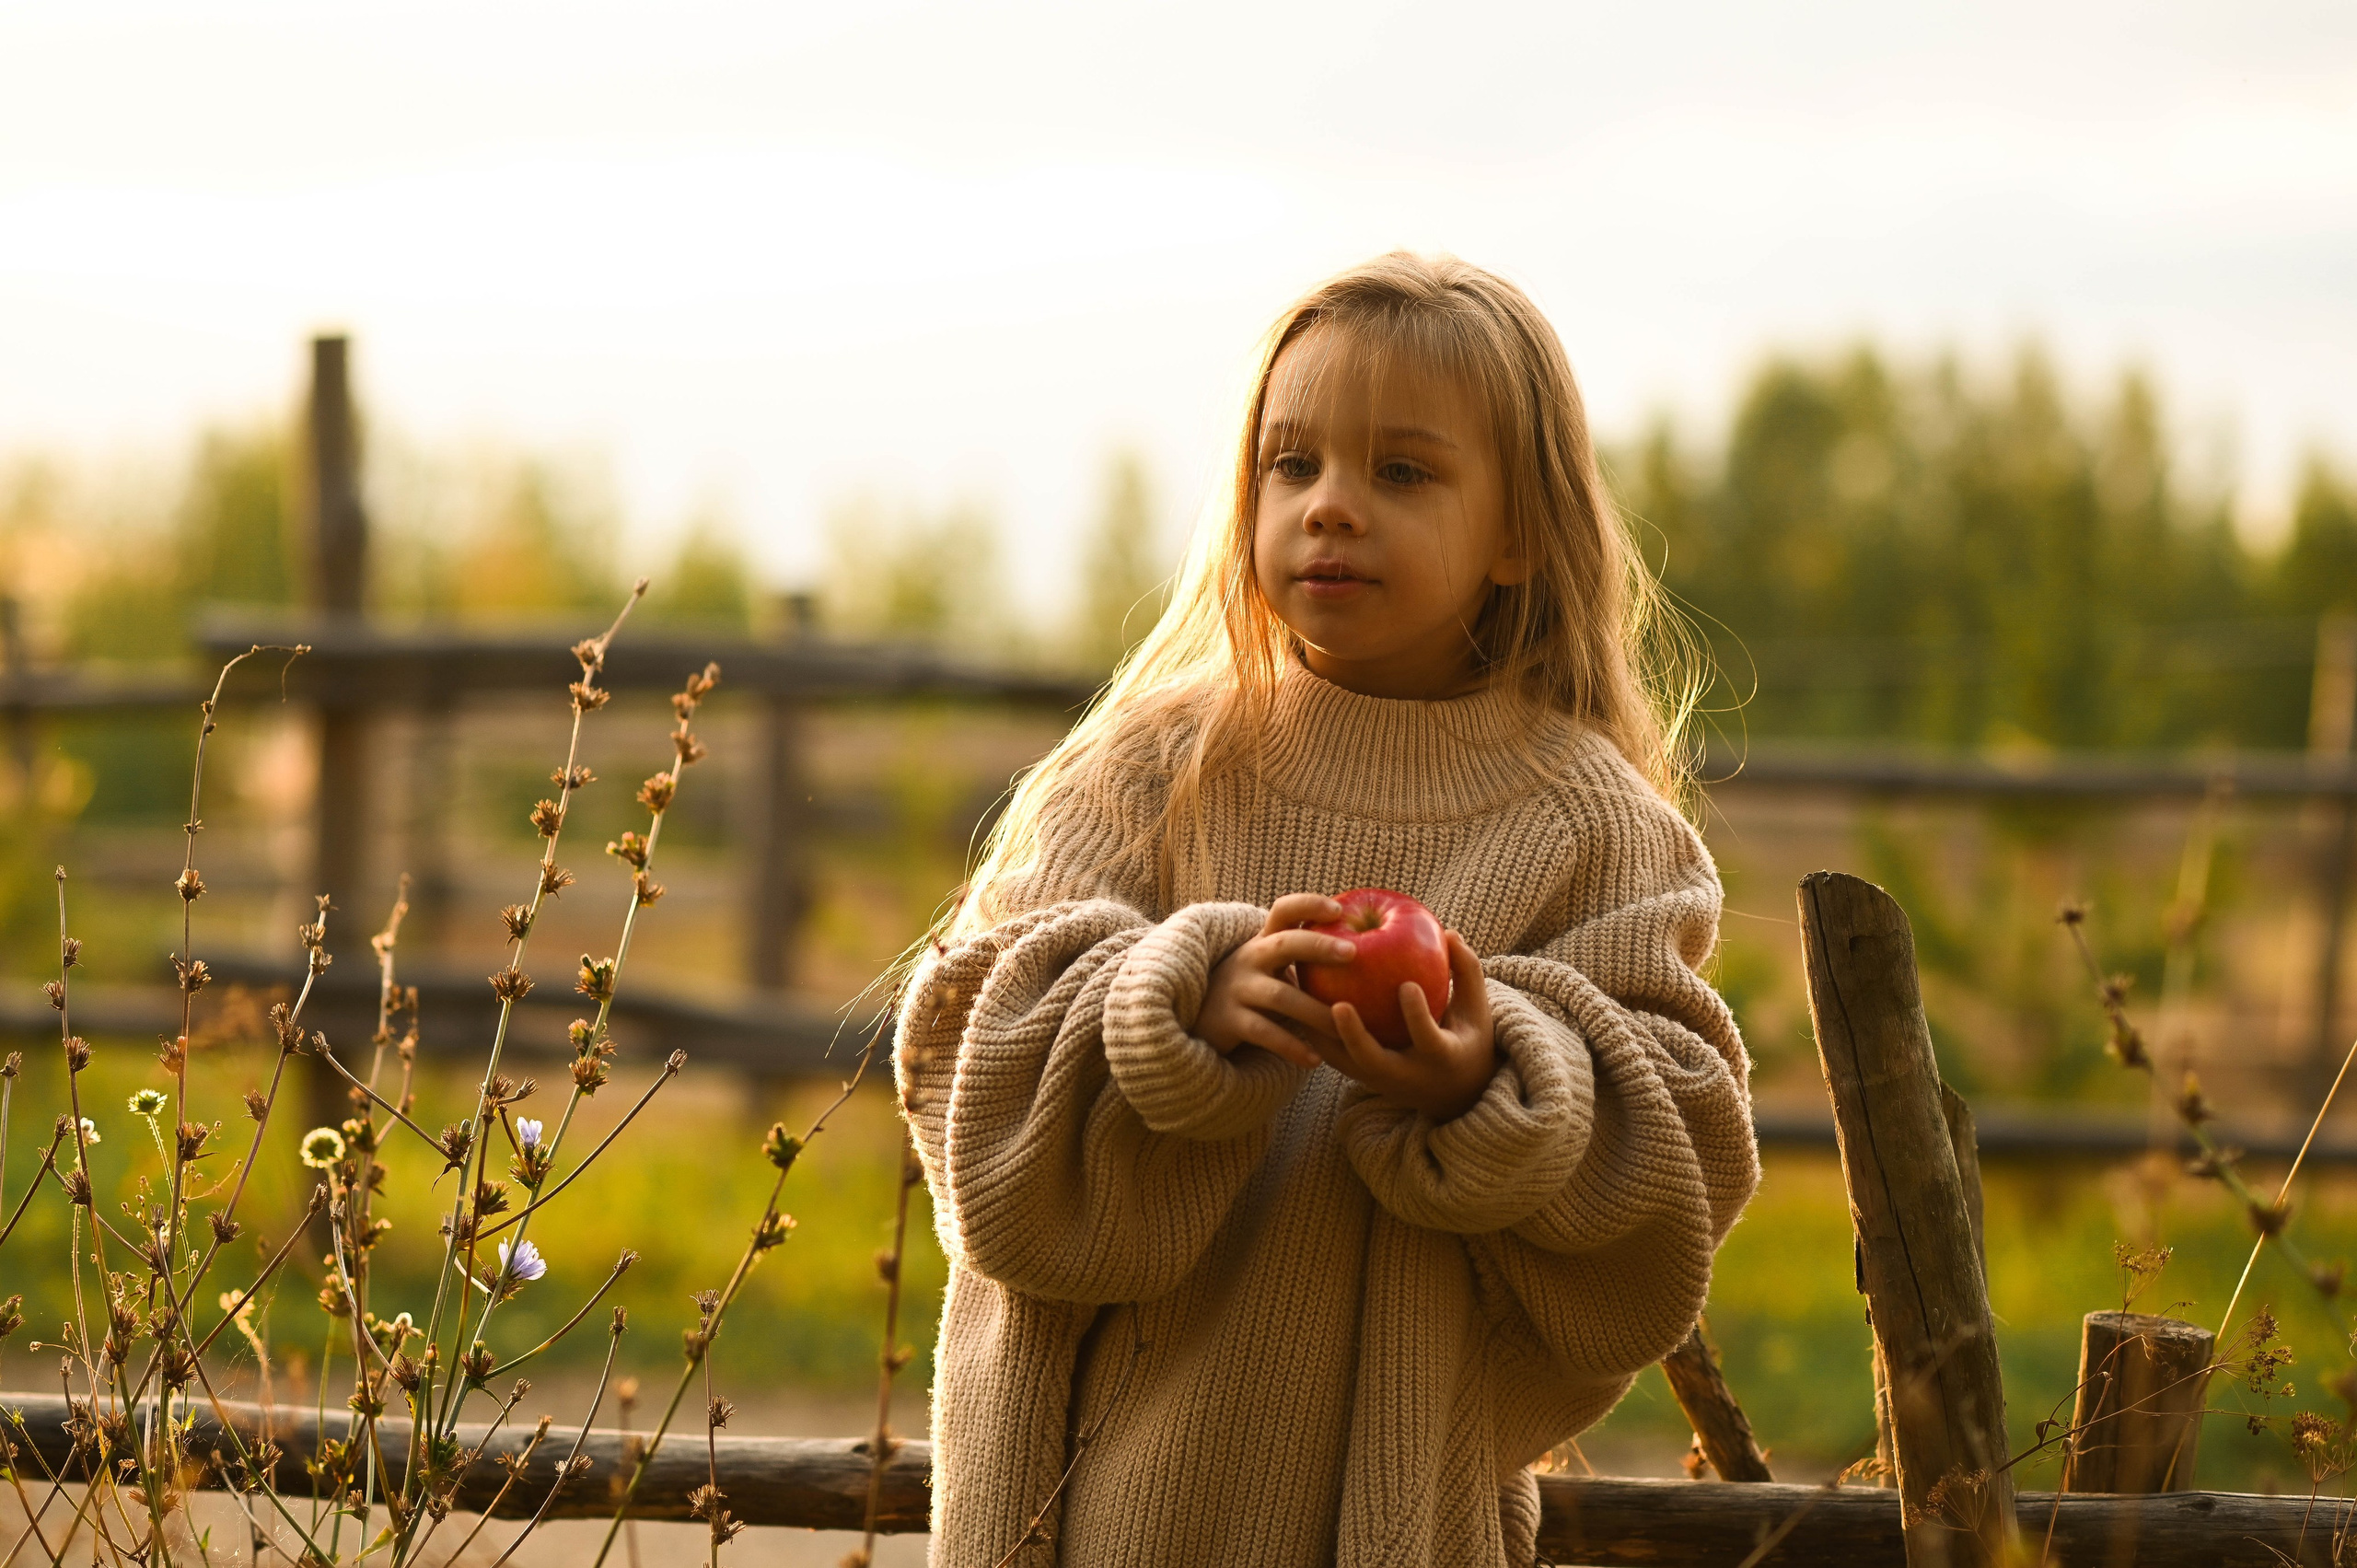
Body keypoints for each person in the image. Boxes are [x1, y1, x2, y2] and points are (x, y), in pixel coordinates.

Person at [893, 251, 1759, 1566]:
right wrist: (1173, 1006)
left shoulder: (1597, 830)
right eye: (1292, 465)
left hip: (1386, 1509)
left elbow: (1678, 1162)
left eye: (1400, 472)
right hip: (1079, 1510)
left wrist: (1496, 1077)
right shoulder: (1145, 772)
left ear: (1520, 529)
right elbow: (969, 1045)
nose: (1332, 508)